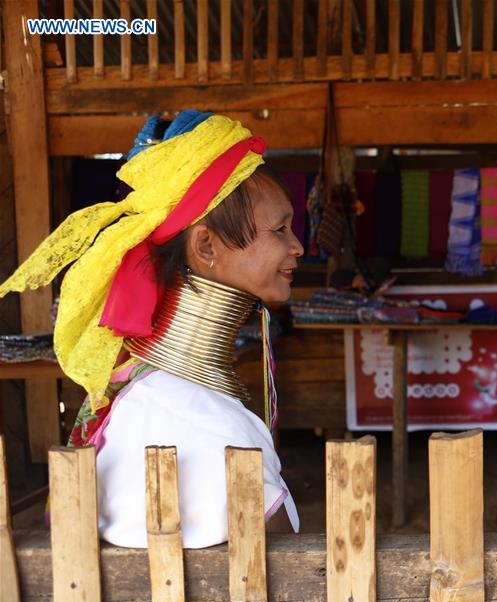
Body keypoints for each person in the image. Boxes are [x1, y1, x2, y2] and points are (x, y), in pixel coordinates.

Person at [0, 111, 302, 547]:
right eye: (279, 229)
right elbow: (286, 559)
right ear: (206, 246)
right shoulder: (216, 427)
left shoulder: (139, 396)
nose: (297, 246)